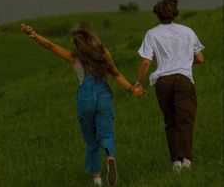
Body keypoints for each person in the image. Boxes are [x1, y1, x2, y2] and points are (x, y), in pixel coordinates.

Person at [21, 22, 144, 186]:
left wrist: (33, 34)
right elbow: (116, 74)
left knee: (91, 139)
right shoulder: (104, 54)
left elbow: (50, 46)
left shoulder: (74, 58)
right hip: (103, 96)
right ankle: (110, 157)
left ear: (77, 44)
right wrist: (132, 89)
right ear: (93, 39)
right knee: (106, 133)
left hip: (85, 98)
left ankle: (97, 178)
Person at [136, 0, 204, 171]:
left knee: (171, 120)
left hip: (163, 81)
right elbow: (200, 58)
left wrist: (138, 82)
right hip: (183, 79)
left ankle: (175, 162)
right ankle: (187, 160)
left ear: (157, 15)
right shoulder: (188, 31)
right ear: (175, 13)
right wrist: (184, 60)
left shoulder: (151, 34)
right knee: (185, 120)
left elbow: (145, 62)